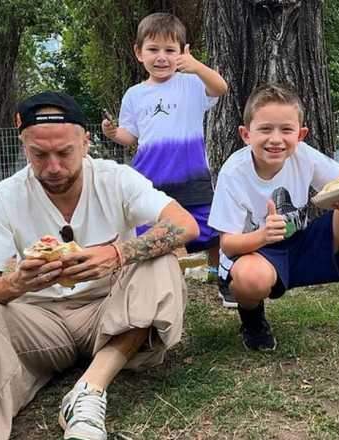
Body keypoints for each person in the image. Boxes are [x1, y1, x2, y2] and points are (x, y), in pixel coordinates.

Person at [0, 92, 197, 440]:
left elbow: (184, 225)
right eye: (39, 155)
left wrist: (116, 254)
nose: (53, 167)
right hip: (40, 319)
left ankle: (88, 391)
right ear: (24, 147)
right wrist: (14, 285)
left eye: (64, 152)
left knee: (159, 260)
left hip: (110, 312)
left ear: (85, 143)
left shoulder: (116, 178)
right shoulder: (5, 196)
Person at [208, 83, 339, 351]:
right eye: (265, 129)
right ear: (246, 134)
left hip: (300, 243)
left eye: (286, 129)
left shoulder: (303, 154)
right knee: (252, 279)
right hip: (256, 251)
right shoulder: (233, 173)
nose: (276, 139)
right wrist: (262, 235)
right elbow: (228, 244)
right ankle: (251, 317)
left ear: (300, 135)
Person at [100, 12, 231, 306]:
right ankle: (154, 286)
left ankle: (221, 273)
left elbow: (221, 88)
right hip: (150, 178)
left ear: (183, 52)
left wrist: (197, 67)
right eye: (153, 49)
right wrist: (112, 133)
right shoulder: (134, 95)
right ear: (138, 53)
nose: (162, 57)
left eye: (170, 50)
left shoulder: (192, 84)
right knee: (153, 236)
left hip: (192, 174)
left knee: (213, 229)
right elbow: (130, 136)